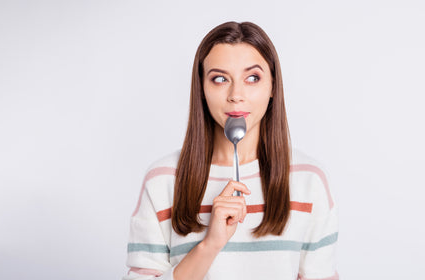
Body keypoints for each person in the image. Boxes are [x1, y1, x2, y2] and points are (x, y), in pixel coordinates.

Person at [123, 21, 339, 280]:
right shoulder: (163, 180)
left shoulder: (308, 179)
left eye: (252, 78)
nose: (236, 95)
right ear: (202, 89)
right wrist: (210, 244)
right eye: (220, 79)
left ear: (272, 86)